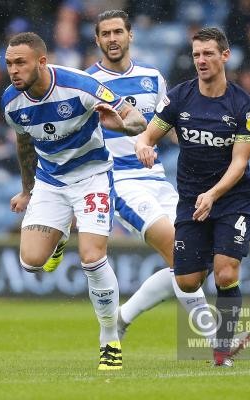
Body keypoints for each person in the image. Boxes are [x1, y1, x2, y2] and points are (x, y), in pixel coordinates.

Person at [2, 31, 147, 370]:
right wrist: (27, 190)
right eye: (9, 63)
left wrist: (122, 126)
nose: (13, 70)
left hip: (92, 177)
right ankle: (58, 237)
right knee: (31, 262)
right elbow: (24, 145)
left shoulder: (81, 85)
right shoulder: (11, 101)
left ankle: (109, 338)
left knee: (92, 259)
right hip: (50, 182)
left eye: (20, 63)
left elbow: (137, 120)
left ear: (41, 61)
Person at [73, 9, 213, 342]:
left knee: (194, 261)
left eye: (117, 32)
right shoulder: (87, 84)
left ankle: (123, 317)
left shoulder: (152, 77)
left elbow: (168, 126)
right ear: (97, 40)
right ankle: (217, 339)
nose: (112, 39)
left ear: (130, 35)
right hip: (119, 182)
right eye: (105, 34)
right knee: (181, 255)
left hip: (159, 181)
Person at [135, 28, 250, 367]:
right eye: (196, 55)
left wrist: (214, 193)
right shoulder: (179, 98)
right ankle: (201, 266)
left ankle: (222, 349)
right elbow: (148, 134)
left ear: (225, 56)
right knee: (188, 281)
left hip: (232, 199)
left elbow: (240, 162)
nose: (201, 61)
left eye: (208, 54)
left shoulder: (243, 106)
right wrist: (144, 145)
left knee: (226, 273)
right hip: (191, 199)